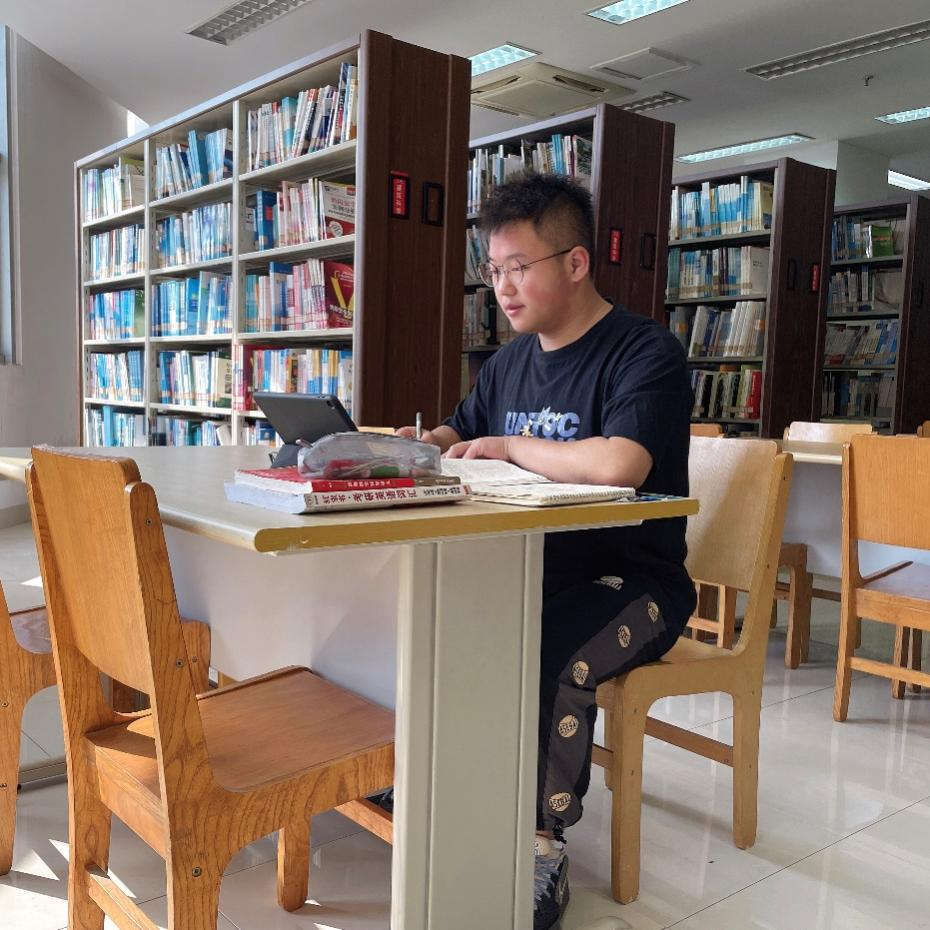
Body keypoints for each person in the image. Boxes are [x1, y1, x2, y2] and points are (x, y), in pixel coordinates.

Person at [398, 172, 695, 930]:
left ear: (575, 262)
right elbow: (459, 431)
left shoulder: (646, 351)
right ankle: (439, 783)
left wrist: (506, 444)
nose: (501, 287)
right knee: (429, 615)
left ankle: (541, 843)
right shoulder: (509, 362)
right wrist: (419, 444)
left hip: (636, 582)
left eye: (518, 267)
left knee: (551, 651)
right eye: (493, 269)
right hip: (529, 569)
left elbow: (620, 463)